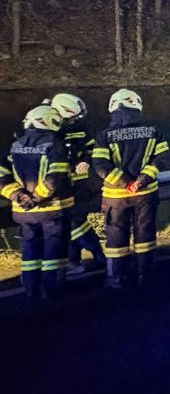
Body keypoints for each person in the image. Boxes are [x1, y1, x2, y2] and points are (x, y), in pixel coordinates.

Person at [92, 89, 168, 289]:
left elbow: (100, 165)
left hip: (116, 196)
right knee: (145, 233)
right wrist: (142, 180)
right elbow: (161, 159)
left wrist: (125, 183)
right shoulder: (153, 131)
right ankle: (145, 275)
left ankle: (116, 277)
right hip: (145, 194)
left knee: (116, 235)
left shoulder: (104, 136)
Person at [1, 105, 72, 299]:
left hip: (23, 212)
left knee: (30, 248)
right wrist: (37, 198)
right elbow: (55, 177)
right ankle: (52, 289)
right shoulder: (54, 144)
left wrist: (18, 196)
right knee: (53, 249)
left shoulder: (14, 145)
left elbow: (2, 177)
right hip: (51, 209)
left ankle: (31, 289)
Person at [48, 93, 104, 274]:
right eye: (71, 118)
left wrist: (86, 160)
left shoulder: (79, 127)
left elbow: (92, 147)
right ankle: (79, 260)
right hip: (56, 184)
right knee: (72, 223)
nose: (73, 121)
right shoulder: (47, 129)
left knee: (73, 222)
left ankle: (83, 259)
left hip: (77, 185)